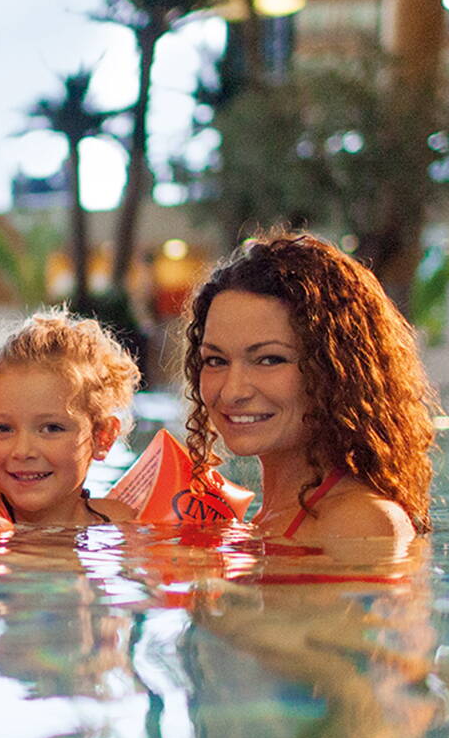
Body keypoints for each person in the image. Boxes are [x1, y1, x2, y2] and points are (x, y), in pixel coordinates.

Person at [182, 230, 435, 545]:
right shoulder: (267, 519)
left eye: (269, 359)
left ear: (336, 369)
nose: (232, 392)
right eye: (216, 360)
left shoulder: (359, 522)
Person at [0, 310, 140, 528]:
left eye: (51, 428)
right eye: (2, 428)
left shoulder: (120, 523)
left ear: (102, 437)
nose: (22, 451)